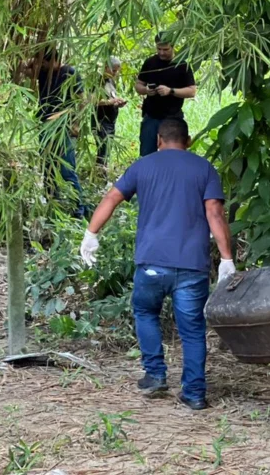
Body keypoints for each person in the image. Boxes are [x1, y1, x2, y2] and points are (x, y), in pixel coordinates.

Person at [79, 118, 236, 410]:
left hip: (151, 262)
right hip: (191, 265)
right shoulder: (204, 168)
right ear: (187, 141)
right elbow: (214, 212)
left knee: (145, 311)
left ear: (159, 140)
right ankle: (194, 393)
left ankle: (155, 374)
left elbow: (112, 197)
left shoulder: (143, 166)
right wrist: (227, 259)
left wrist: (91, 234)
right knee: (192, 329)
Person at [38, 48, 86, 218]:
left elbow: (81, 99)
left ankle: (79, 208)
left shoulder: (69, 72)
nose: (42, 65)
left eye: (44, 61)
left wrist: (76, 123)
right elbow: (22, 67)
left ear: (54, 60)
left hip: (62, 125)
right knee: (48, 168)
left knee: (67, 168)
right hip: (44, 124)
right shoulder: (42, 72)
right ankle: (52, 204)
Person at [135, 33, 197, 157]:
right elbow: (138, 85)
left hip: (173, 116)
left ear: (173, 47)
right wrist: (146, 90)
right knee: (147, 153)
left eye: (165, 49)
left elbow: (192, 91)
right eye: (159, 49)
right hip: (151, 115)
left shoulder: (182, 65)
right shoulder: (150, 63)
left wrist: (171, 91)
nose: (162, 53)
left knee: (174, 153)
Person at [96, 56, 127, 169]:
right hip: (100, 120)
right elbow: (91, 101)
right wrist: (109, 102)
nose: (115, 73)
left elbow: (111, 97)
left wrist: (117, 102)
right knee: (103, 148)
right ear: (106, 67)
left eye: (117, 70)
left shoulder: (111, 81)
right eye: (113, 70)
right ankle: (100, 172)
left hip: (110, 120)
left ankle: (102, 171)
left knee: (107, 148)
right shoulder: (97, 80)